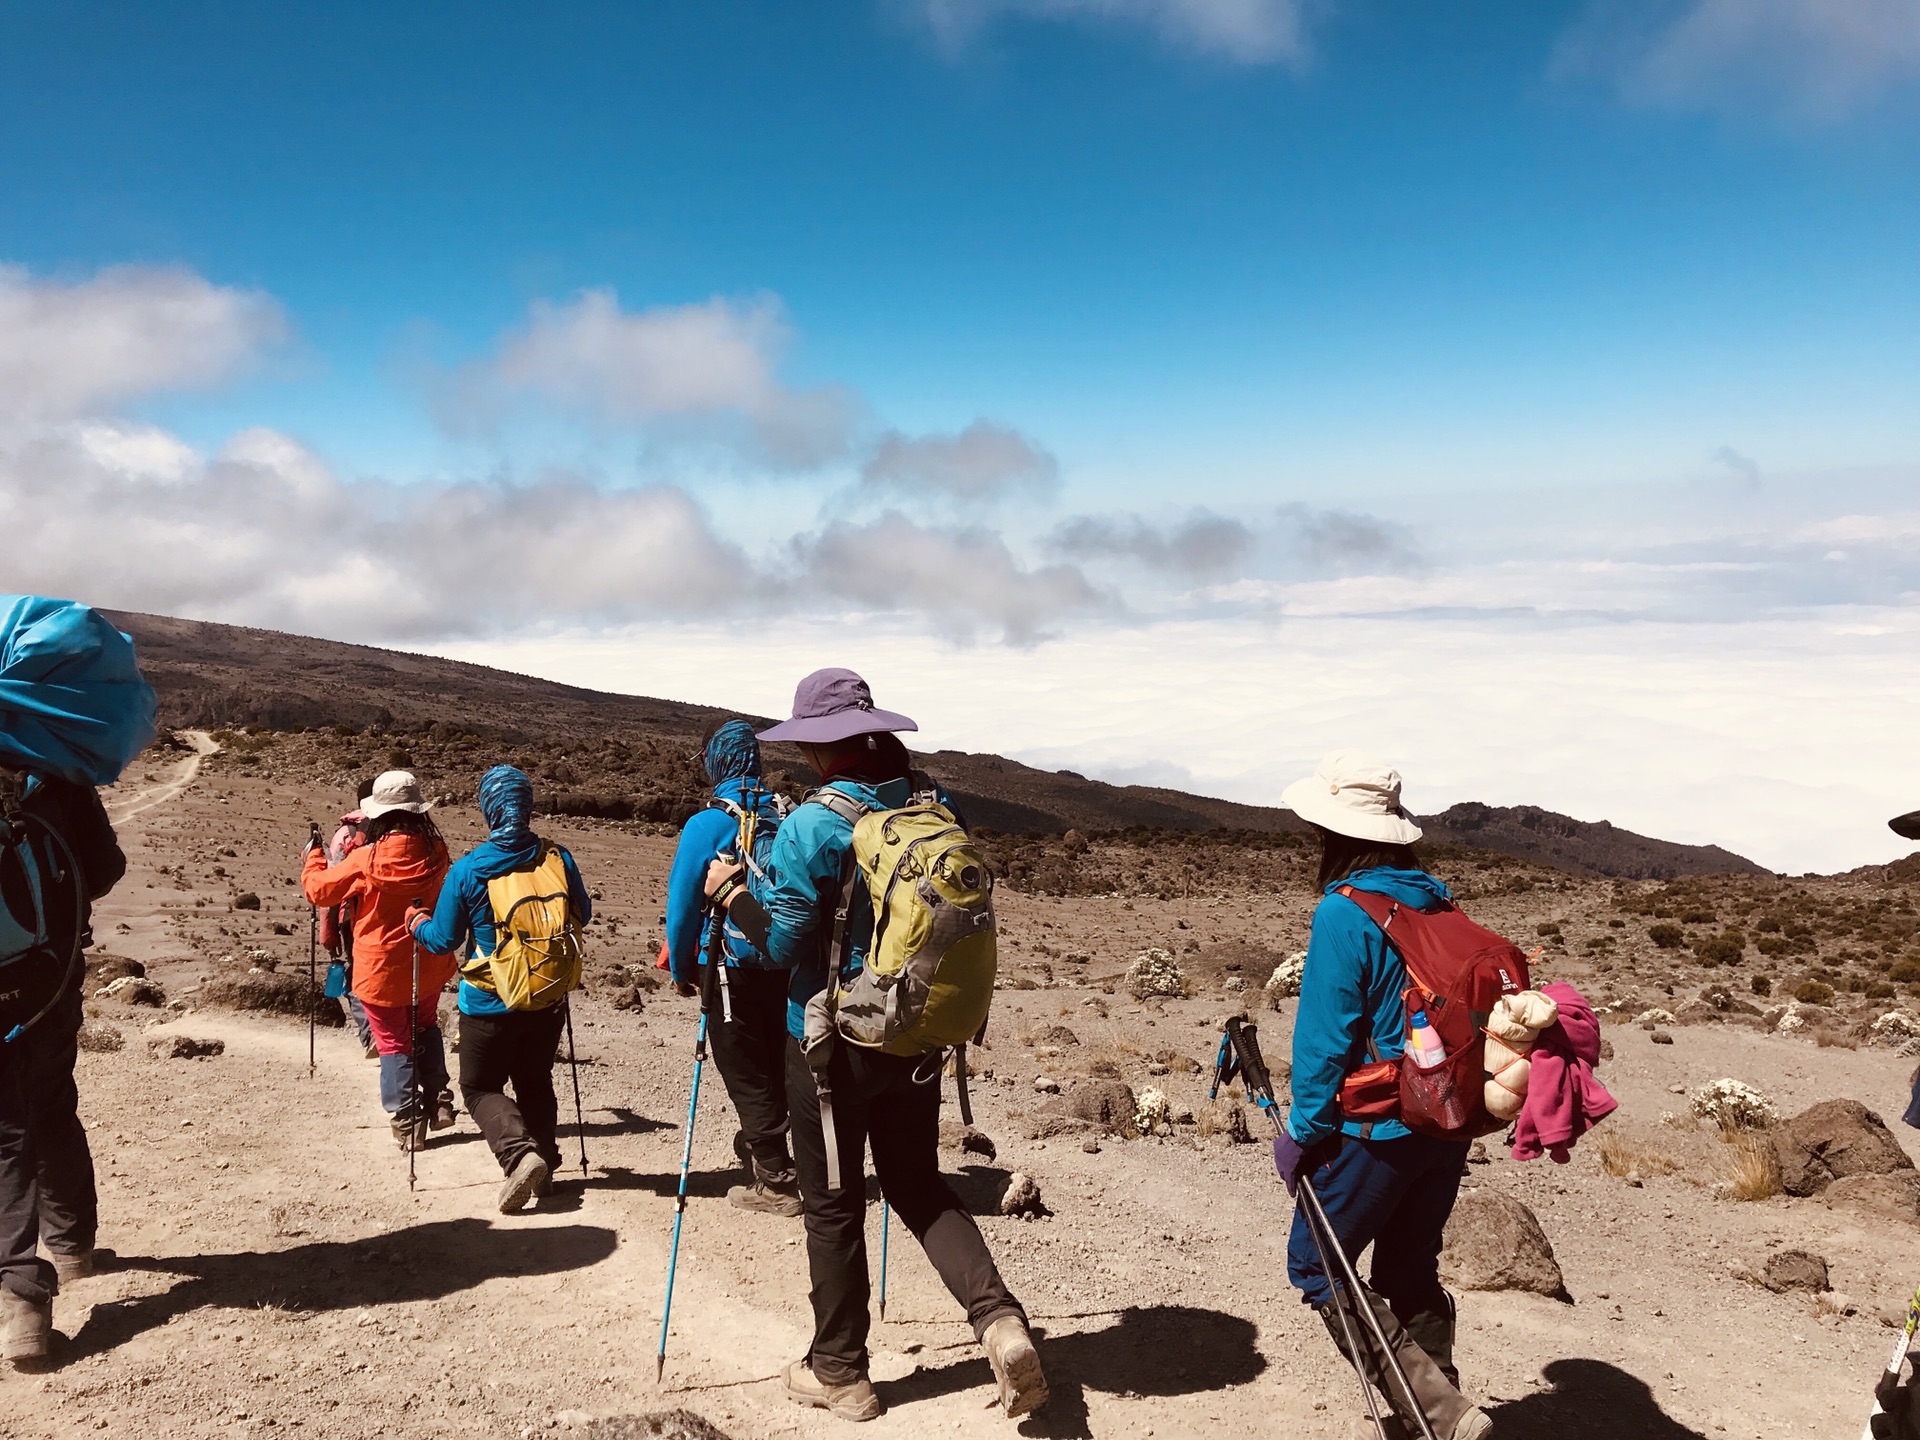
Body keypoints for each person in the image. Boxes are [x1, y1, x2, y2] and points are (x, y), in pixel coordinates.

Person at [703, 668, 1045, 1423]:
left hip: (828, 1045)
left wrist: (731, 895)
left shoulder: (813, 826)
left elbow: (785, 943)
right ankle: (1000, 1320)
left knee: (831, 1204)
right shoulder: (931, 804)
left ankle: (840, 1373)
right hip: (915, 1035)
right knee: (919, 1185)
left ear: (823, 749)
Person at [1269, 751, 1493, 1440]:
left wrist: (1301, 1136)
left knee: (1316, 1265)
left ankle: (1438, 1412)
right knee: (1408, 1265)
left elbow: (1324, 1046)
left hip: (1378, 1132)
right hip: (1446, 1119)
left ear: (1333, 834)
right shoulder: (1436, 897)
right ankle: (1441, 1413)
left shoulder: (1343, 914)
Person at [407, 765, 591, 1214]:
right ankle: (545, 1159)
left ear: (489, 809)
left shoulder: (470, 870)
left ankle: (519, 1155)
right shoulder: (557, 858)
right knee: (535, 1079)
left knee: (479, 1086)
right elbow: (581, 913)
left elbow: (445, 940)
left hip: (488, 1002)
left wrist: (417, 923)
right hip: (545, 996)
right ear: (526, 806)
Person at [0, 767, 127, 1370]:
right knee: (51, 1103)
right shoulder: (53, 764)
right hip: (48, 980)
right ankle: (73, 1250)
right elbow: (102, 871)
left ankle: (21, 1297)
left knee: (4, 1129)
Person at [665, 719, 800, 1217]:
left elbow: (681, 909)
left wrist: (682, 968)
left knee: (745, 1069)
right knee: (780, 1061)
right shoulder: (790, 815)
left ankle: (777, 1183)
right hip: (786, 960)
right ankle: (783, 1156)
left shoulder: (708, 823)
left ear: (714, 762)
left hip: (728, 966)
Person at [301, 770, 452, 1151]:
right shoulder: (438, 852)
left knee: (392, 1042)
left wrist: (313, 858)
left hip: (381, 967)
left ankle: (407, 1119)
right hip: (429, 960)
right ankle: (439, 1099)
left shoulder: (365, 859)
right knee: (426, 1025)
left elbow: (319, 892)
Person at [317, 780, 376, 1057]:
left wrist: (327, 934)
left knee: (357, 973)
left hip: (352, 916)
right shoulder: (399, 830)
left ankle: (371, 1033)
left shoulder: (344, 834)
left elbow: (330, 888)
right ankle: (399, 1034)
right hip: (395, 913)